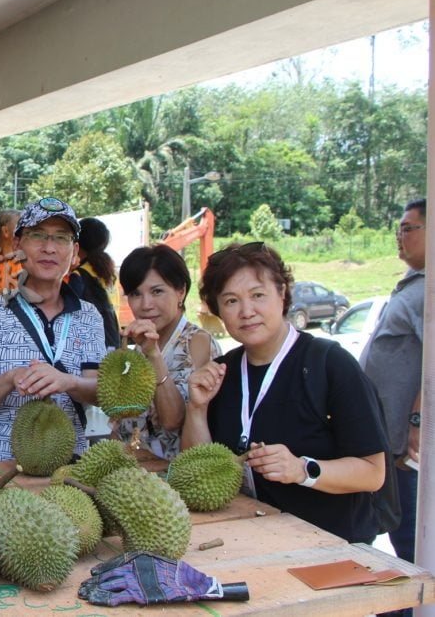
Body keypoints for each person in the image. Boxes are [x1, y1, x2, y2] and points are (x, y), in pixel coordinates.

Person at [183, 242, 386, 543]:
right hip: (252, 537)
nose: (247, 311)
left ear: (282, 294)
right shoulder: (221, 372)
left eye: (258, 295)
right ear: (219, 312)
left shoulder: (330, 364)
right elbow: (196, 470)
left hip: (332, 545)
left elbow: (373, 473)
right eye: (231, 301)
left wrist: (302, 469)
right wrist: (197, 408)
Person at [0, 197, 106, 463]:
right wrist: (12, 378)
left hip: (69, 467)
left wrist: (68, 381)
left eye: (61, 238)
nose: (49, 248)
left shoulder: (88, 316)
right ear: (17, 244)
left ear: (74, 251)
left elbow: (98, 391)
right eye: (38, 235)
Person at [360, 197, 425, 567]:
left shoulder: (429, 290)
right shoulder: (413, 285)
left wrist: (417, 422)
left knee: (413, 544)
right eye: (398, 228)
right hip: (387, 439)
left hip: (408, 449)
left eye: (409, 228)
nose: (400, 236)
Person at [115, 245, 220, 459]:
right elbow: (120, 422)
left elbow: (173, 420)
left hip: (174, 477)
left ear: (180, 291)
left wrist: (154, 355)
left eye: (157, 291)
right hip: (130, 474)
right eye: (135, 294)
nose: (146, 305)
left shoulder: (198, 343)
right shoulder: (134, 350)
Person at [67, 217, 121, 350]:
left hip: (93, 346)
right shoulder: (110, 273)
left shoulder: (78, 276)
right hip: (113, 340)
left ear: (77, 243)